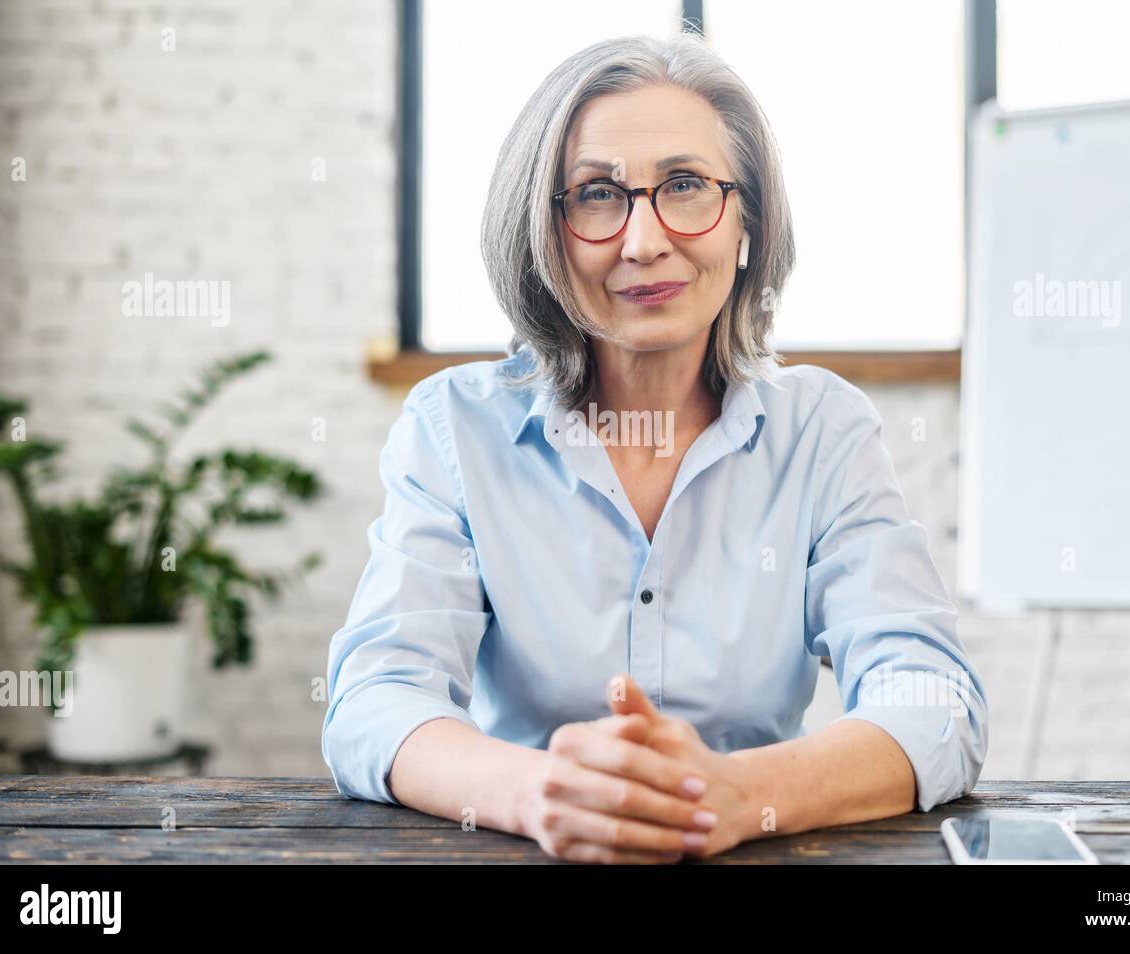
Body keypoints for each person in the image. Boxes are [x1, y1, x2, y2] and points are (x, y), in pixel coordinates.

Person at [322, 32, 988, 864]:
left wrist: (743, 797)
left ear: (747, 221)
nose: (643, 241)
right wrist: (542, 793)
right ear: (547, 230)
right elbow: (375, 702)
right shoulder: (453, 429)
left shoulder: (823, 430)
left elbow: (934, 701)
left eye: (684, 185)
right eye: (598, 194)